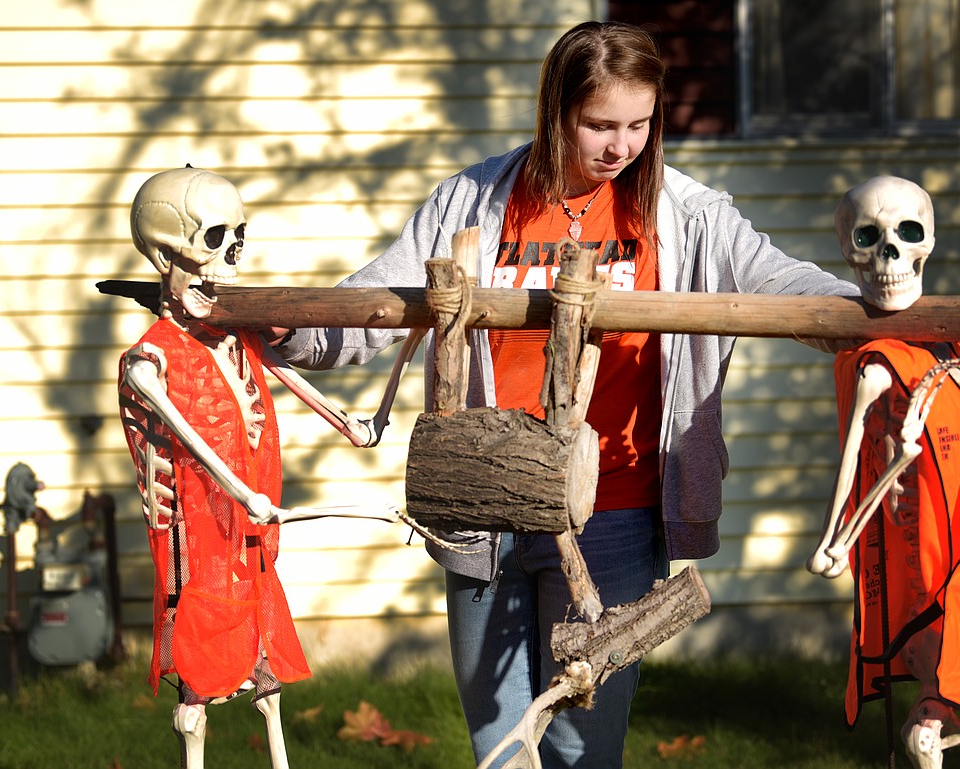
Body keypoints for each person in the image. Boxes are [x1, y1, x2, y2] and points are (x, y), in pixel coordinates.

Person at [275, 20, 860, 769]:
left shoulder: (686, 216)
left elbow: (780, 284)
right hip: (482, 512)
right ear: (556, 112)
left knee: (585, 748)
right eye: (599, 125)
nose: (622, 146)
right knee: (498, 744)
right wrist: (286, 331)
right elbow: (375, 304)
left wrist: (871, 314)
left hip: (609, 514)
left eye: (640, 125)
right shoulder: (474, 202)